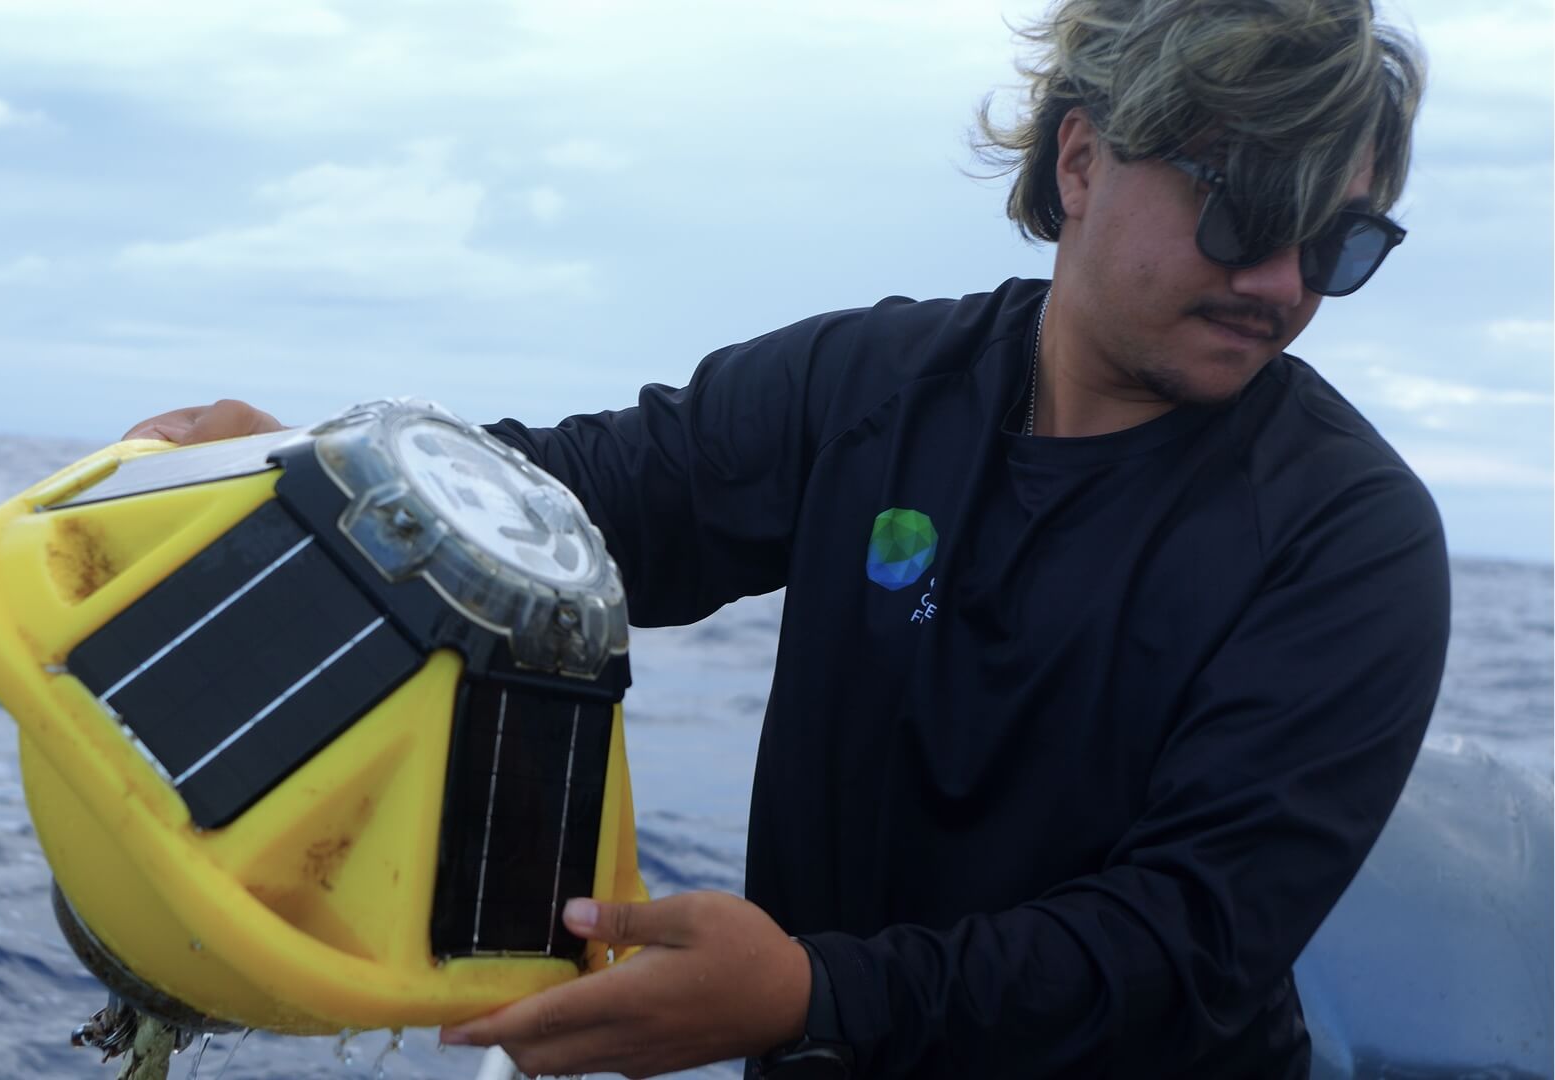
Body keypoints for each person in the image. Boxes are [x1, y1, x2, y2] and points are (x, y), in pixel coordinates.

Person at [124, 0, 1446, 1074]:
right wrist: (315, 473)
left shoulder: (1348, 538)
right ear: (1082, 161)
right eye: (1243, 211)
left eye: (1338, 245)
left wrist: (813, 995)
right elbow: (578, 500)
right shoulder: (869, 387)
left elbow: (1188, 941)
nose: (1280, 282)